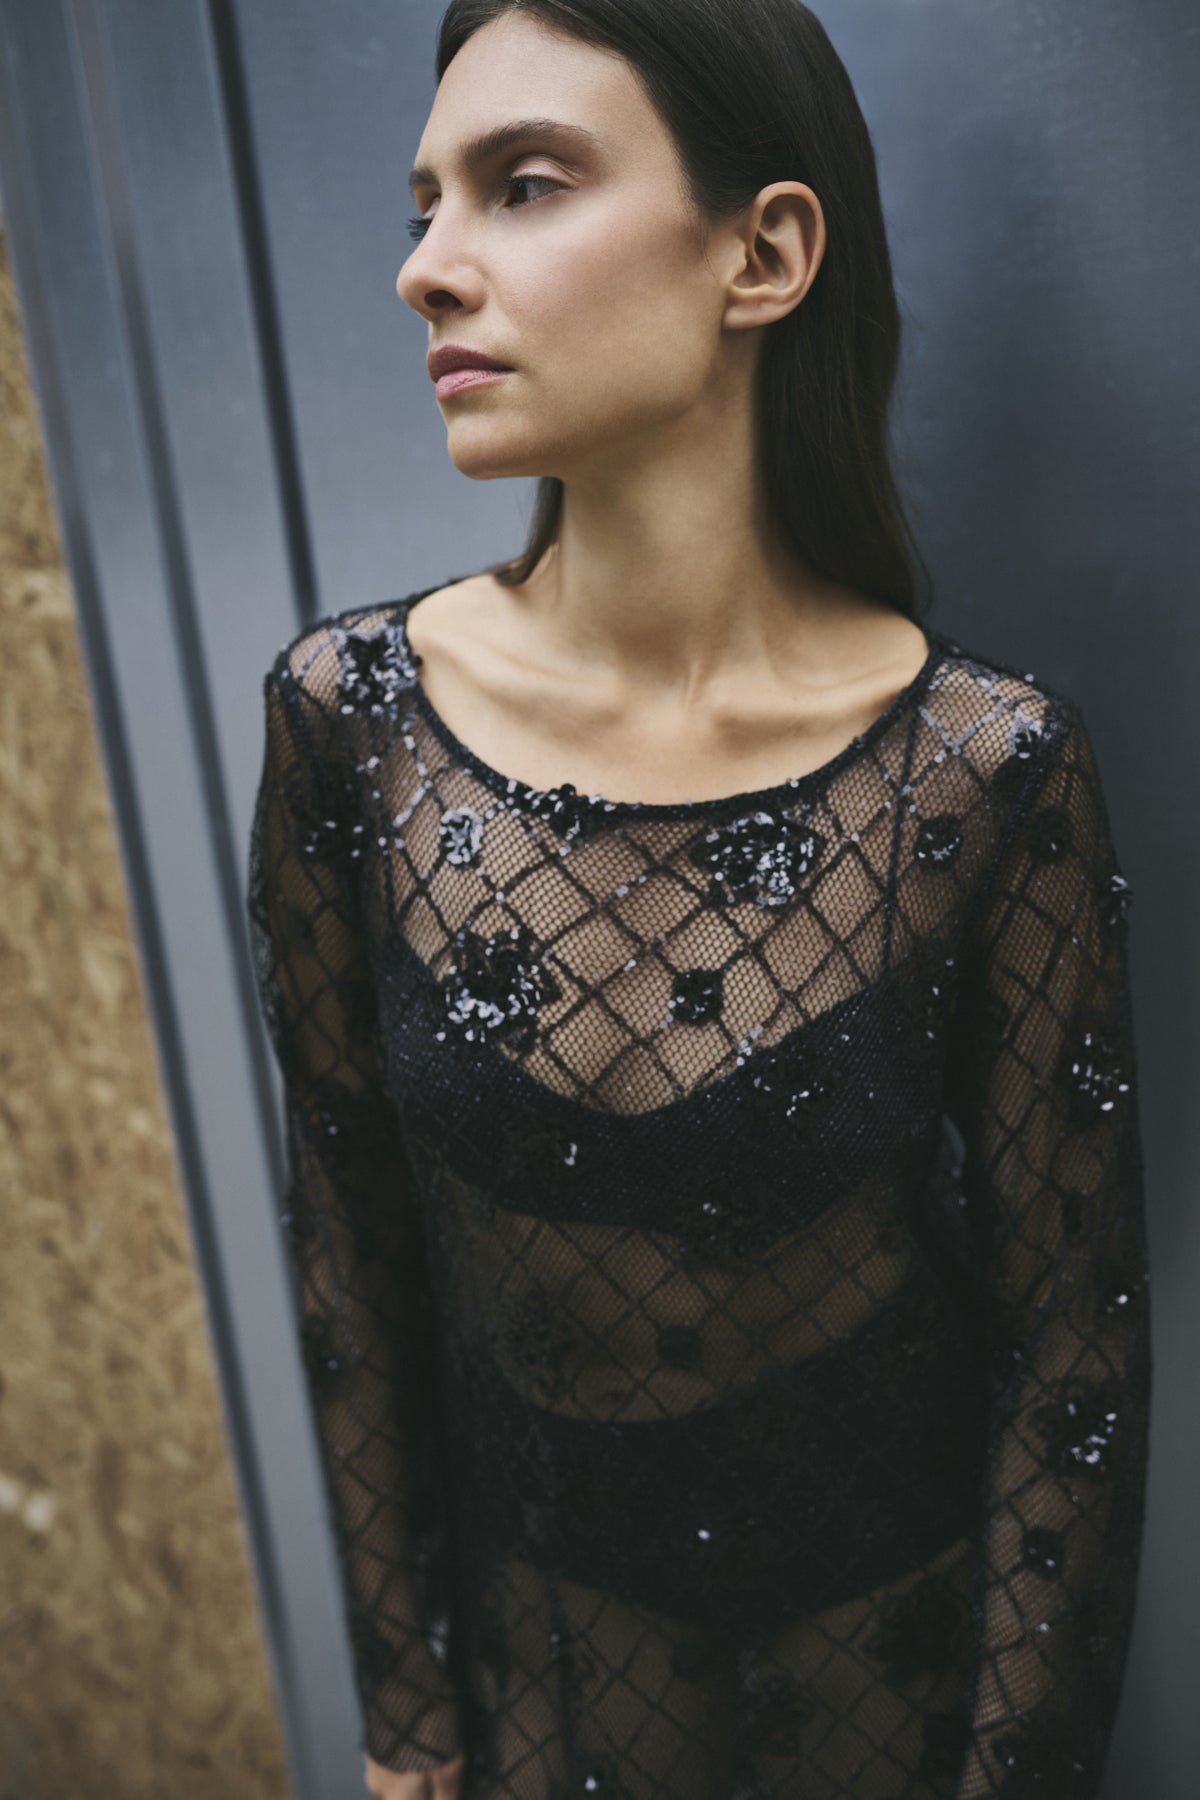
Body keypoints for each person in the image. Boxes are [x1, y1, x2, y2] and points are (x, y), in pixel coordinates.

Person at [245, 3, 1152, 1797]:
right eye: (423, 207)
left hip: (890, 1696)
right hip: (546, 1703)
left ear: (766, 254)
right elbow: (350, 1248)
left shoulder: (983, 772)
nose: (427, 268)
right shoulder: (354, 726)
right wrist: (409, 1732)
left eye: (523, 185)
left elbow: (1075, 1350)